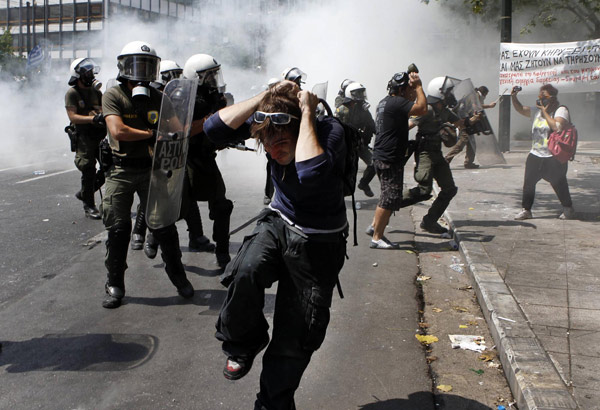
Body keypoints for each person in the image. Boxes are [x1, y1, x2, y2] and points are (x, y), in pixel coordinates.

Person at [203, 80, 347, 410]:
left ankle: (271, 403)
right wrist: (263, 98)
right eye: (267, 138)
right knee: (245, 270)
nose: (274, 146)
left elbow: (310, 173)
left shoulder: (329, 131)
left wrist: (308, 110)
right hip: (279, 222)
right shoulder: (267, 129)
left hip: (318, 243)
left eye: (284, 137)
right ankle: (243, 342)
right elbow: (213, 129)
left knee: (293, 343)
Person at [100, 41, 194, 309]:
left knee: (164, 226)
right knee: (118, 229)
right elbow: (117, 131)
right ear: (124, 66)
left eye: (147, 64)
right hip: (121, 170)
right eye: (136, 64)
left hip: (151, 169)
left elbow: (176, 128)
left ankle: (179, 278)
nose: (142, 70)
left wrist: (178, 130)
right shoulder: (114, 95)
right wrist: (152, 134)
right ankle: (114, 283)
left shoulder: (159, 97)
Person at [404, 76, 480, 234]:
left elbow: (460, 123)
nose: (451, 95)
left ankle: (429, 221)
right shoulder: (427, 109)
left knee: (449, 189)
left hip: (437, 153)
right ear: (439, 93)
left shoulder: (444, 111)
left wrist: (473, 120)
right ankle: (390, 203)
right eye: (448, 92)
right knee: (424, 191)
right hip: (425, 152)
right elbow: (409, 125)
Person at [183, 53, 233, 269]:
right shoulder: (183, 98)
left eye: (215, 74)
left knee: (222, 207)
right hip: (185, 161)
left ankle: (222, 251)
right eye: (209, 75)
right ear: (197, 77)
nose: (214, 79)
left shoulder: (215, 97)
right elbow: (181, 131)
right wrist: (208, 120)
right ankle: (152, 237)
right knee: (175, 208)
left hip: (206, 158)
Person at [367, 71, 427, 249]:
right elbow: (422, 108)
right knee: (388, 199)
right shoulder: (397, 102)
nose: (411, 94)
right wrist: (419, 86)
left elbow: (396, 127)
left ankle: (374, 227)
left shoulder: (386, 102)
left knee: (388, 197)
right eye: (409, 90)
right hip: (389, 158)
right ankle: (377, 237)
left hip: (384, 156)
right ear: (401, 89)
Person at [130, 59, 184, 255]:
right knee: (153, 197)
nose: (177, 79)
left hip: (168, 149)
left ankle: (150, 236)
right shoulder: (149, 96)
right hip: (150, 151)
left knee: (161, 197)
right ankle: (143, 235)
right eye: (174, 75)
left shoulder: (169, 96)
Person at [510, 84, 575, 220]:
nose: (541, 99)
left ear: (552, 98)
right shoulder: (536, 111)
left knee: (558, 182)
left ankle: (568, 208)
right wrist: (514, 98)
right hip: (536, 153)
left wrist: (544, 111)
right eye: (540, 96)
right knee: (528, 183)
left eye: (544, 96)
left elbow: (556, 126)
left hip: (553, 155)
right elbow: (521, 109)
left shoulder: (560, 110)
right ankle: (526, 209)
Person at [65, 57, 105, 219]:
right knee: (88, 169)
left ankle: (85, 193)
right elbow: (73, 117)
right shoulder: (72, 93)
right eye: (87, 72)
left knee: (109, 166)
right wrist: (92, 119)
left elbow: (103, 108)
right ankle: (89, 205)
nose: (90, 74)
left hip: (99, 134)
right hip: (83, 136)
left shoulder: (96, 92)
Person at [335, 81, 377, 197]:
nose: (361, 95)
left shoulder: (363, 110)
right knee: (344, 172)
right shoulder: (342, 110)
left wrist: (381, 133)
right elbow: (337, 127)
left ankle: (364, 183)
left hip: (359, 144)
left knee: (375, 162)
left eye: (361, 92)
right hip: (346, 146)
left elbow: (371, 124)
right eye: (357, 93)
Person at [445, 85, 496, 168]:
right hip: (464, 121)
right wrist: (489, 106)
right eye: (486, 95)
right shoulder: (475, 96)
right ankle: (446, 160)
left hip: (468, 121)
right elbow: (476, 106)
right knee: (462, 142)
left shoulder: (473, 95)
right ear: (484, 93)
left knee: (471, 143)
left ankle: (468, 162)